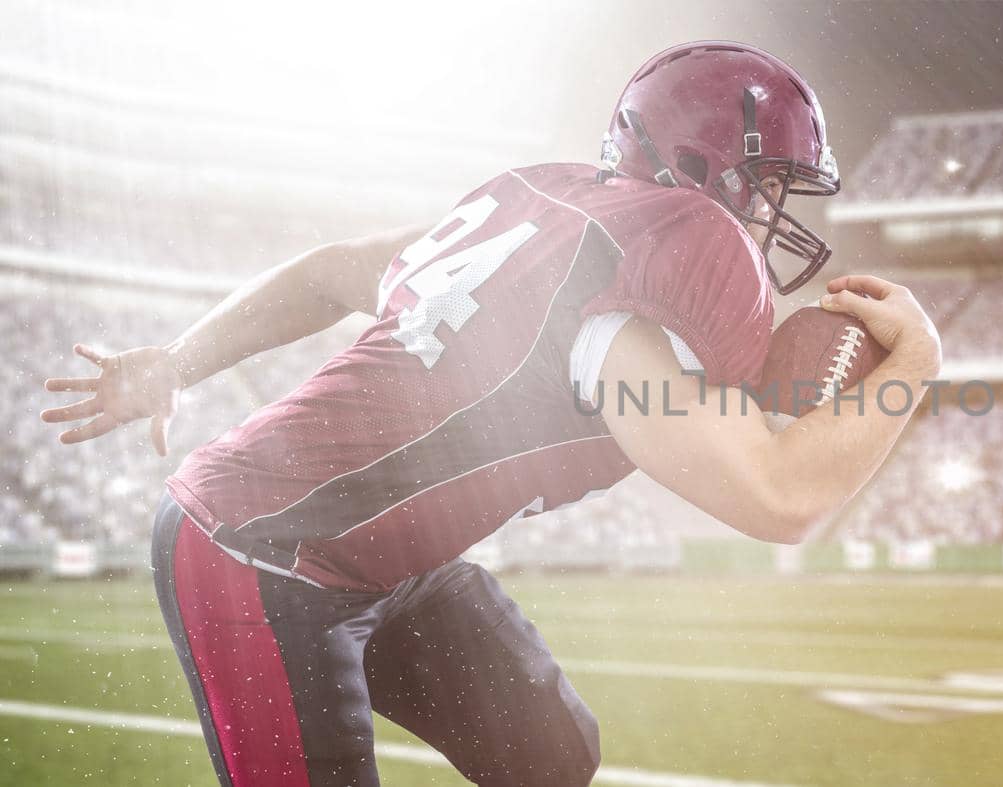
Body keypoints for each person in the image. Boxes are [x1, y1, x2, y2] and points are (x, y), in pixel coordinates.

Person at [38, 41, 940, 787]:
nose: (776, 215)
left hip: (379, 557)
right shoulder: (612, 321)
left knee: (549, 755)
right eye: (769, 186)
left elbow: (328, 269)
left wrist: (177, 361)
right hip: (254, 550)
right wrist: (917, 364)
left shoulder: (547, 221)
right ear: (707, 168)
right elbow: (776, 496)